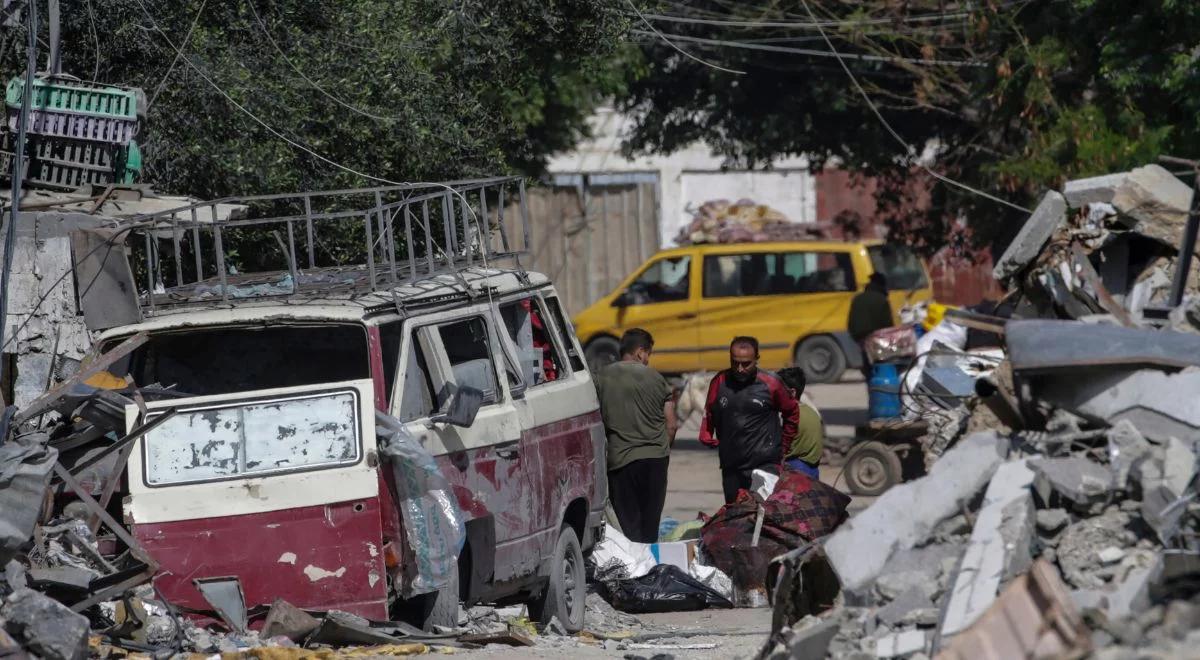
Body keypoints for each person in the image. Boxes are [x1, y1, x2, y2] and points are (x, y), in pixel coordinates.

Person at [594, 328, 677, 543]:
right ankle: (649, 571)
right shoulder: (657, 379)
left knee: (627, 527)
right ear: (640, 352)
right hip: (655, 461)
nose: (648, 360)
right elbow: (672, 424)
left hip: (621, 463)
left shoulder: (601, 378)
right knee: (650, 526)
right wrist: (662, 451)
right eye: (648, 354)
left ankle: (634, 573)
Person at [701, 336, 799, 503]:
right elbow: (710, 410)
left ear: (757, 360)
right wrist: (706, 432)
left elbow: (792, 412)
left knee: (763, 518)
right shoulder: (719, 381)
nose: (740, 368)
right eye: (735, 362)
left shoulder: (772, 384)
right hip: (731, 465)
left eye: (746, 364)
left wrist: (783, 447)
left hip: (765, 464)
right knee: (735, 516)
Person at [777, 367, 824, 480]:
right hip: (812, 470)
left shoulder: (789, 416)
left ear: (792, 392)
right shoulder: (812, 412)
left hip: (795, 472)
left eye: (778, 391)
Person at [848, 272, 895, 376]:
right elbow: (887, 324)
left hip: (859, 336)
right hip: (876, 337)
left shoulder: (858, 298)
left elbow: (851, 322)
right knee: (880, 367)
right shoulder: (882, 300)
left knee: (868, 365)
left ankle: (870, 379)